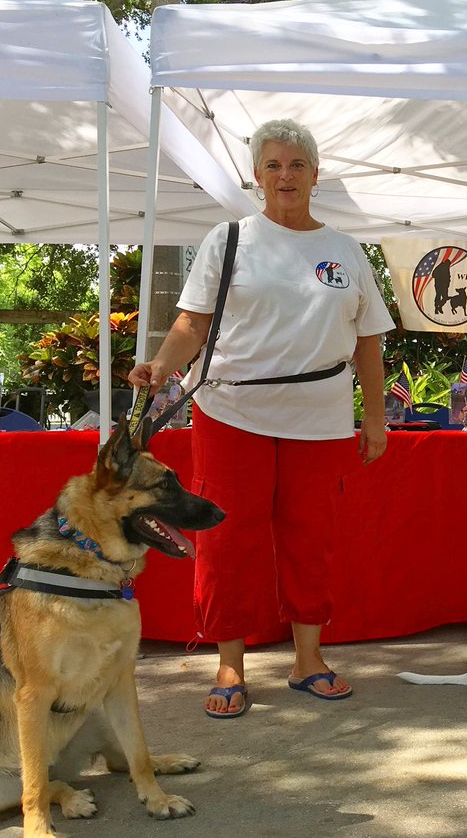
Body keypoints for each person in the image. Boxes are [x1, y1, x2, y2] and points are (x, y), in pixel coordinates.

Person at [129, 119, 394, 717]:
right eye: (273, 165)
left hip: (320, 418)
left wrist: (373, 419)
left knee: (311, 540)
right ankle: (230, 663)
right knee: (227, 540)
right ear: (257, 175)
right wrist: (160, 366)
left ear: (315, 175)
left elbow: (368, 341)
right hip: (231, 412)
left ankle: (309, 659)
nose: (285, 176)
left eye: (297, 165)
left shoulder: (344, 250)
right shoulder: (228, 241)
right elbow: (192, 324)